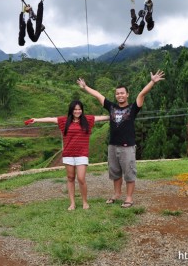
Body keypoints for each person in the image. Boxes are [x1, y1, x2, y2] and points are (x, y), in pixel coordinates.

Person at [77, 70, 165, 208]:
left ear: (127, 94)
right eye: (117, 93)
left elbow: (142, 93)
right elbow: (98, 95)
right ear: (115, 95)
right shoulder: (111, 107)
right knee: (115, 172)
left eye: (122, 93)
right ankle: (116, 194)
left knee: (129, 173)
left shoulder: (133, 108)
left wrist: (152, 82)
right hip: (113, 146)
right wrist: (85, 87)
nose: (120, 95)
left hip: (127, 146)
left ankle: (129, 198)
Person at [25, 100, 109, 210]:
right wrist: (36, 120)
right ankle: (72, 203)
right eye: (75, 109)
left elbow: (103, 117)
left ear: (82, 110)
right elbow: (51, 119)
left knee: (81, 178)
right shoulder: (64, 121)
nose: (77, 111)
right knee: (70, 178)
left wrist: (116, 114)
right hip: (69, 154)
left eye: (79, 109)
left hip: (82, 154)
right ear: (71, 110)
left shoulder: (87, 120)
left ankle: (85, 202)